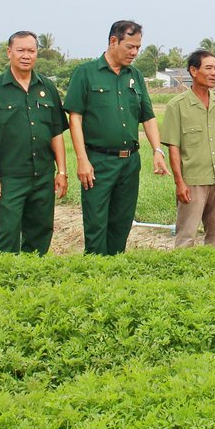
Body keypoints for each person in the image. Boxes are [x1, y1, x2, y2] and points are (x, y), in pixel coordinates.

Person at [63, 20, 169, 256]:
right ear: (113, 41)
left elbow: (148, 116)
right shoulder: (86, 73)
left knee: (122, 220)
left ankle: (114, 270)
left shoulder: (136, 76)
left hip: (129, 162)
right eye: (130, 46)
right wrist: (82, 159)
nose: (134, 53)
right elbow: (75, 118)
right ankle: (95, 273)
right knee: (96, 221)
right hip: (99, 161)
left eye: (138, 48)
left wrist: (157, 151)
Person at [0, 30, 68, 255]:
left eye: (31, 51)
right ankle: (5, 281)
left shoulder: (47, 88)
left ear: (37, 54)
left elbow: (56, 133)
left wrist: (61, 172)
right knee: (8, 234)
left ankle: (33, 278)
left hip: (42, 175)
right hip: (10, 177)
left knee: (41, 231)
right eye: (21, 50)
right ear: (9, 52)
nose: (26, 55)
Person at [161, 50, 215, 247]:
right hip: (193, 181)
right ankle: (184, 274)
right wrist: (179, 182)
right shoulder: (176, 106)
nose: (214, 73)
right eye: (209, 68)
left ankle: (212, 275)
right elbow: (174, 148)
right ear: (193, 71)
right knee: (186, 236)